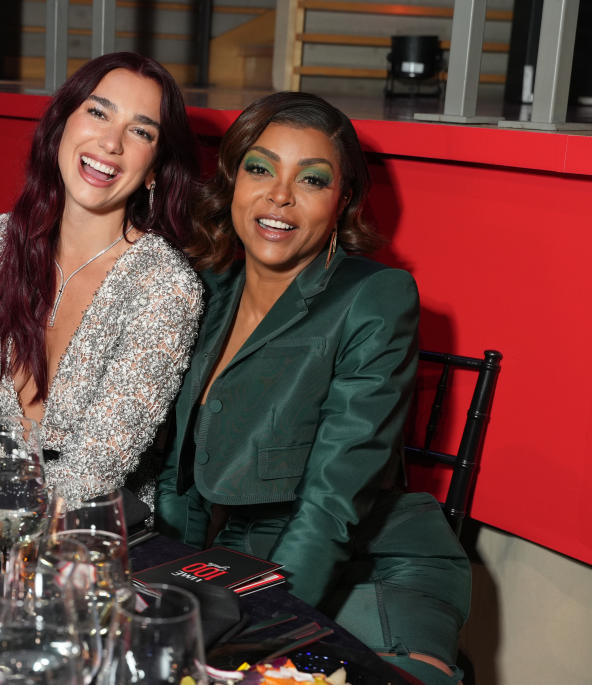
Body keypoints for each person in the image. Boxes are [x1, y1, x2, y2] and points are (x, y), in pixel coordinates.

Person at [156, 92, 469, 685]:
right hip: (242, 564)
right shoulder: (207, 285)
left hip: (371, 565)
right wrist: (180, 589)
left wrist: (256, 634)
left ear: (342, 200)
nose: (279, 195)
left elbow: (332, 503)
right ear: (233, 181)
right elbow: (182, 474)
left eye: (313, 179)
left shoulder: (374, 299)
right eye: (260, 167)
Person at [0, 53, 203, 509]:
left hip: (81, 530)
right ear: (63, 123)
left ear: (156, 169)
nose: (111, 142)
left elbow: (94, 468)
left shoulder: (164, 284)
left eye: (140, 131)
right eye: (98, 112)